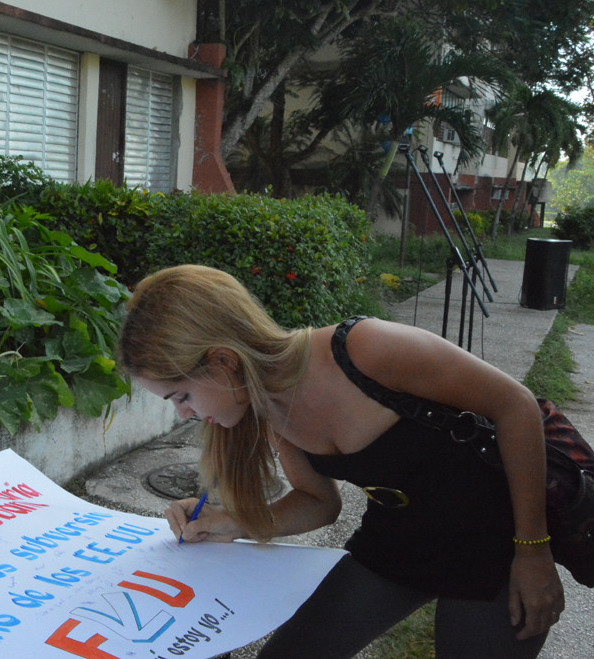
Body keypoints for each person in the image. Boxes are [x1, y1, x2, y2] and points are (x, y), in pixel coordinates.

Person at [118, 264, 564, 659]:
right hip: (397, 544)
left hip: (496, 546)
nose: (184, 414)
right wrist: (233, 522)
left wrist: (534, 550)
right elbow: (319, 502)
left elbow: (516, 406)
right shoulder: (271, 409)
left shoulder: (365, 350)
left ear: (222, 361)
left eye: (181, 396)